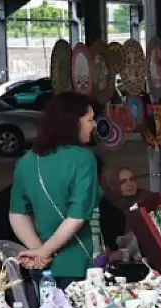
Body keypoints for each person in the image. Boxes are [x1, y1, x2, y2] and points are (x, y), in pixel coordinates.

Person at [9, 92, 100, 286]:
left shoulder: (26, 161)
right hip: (78, 264)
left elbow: (17, 214)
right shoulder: (83, 159)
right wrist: (43, 252)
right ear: (73, 122)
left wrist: (39, 251)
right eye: (90, 119)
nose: (94, 125)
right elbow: (76, 218)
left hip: (42, 266)